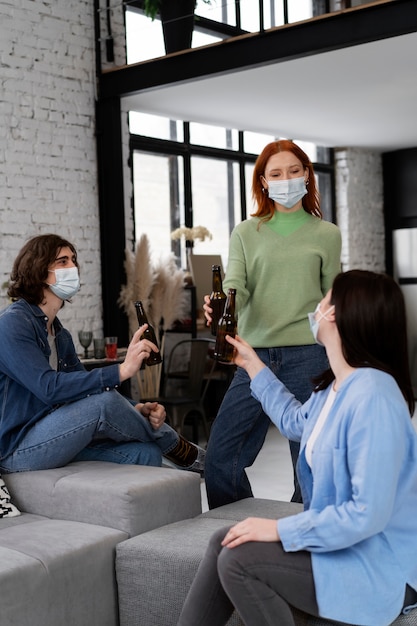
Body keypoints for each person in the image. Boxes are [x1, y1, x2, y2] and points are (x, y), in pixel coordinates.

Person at [178, 270, 417, 626]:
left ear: (337, 313)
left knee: (238, 560)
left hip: (376, 565)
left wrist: (278, 529)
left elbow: (367, 514)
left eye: (324, 298)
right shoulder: (334, 388)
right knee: (222, 541)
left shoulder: (375, 396)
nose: (316, 307)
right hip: (342, 548)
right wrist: (251, 363)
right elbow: (293, 420)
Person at [204, 140, 342, 508]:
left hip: (310, 356)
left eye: (294, 171)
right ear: (263, 182)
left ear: (307, 175)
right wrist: (221, 304)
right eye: (276, 174)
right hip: (253, 357)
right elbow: (236, 285)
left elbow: (332, 300)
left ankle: (302, 540)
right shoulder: (247, 233)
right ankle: (236, 535)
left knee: (308, 462)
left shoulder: (326, 234)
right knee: (220, 457)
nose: (286, 180)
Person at [0, 234, 204, 475]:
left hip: (56, 433)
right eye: (63, 261)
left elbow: (83, 390)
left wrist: (135, 407)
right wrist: (121, 371)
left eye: (73, 260)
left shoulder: (59, 333)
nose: (73, 267)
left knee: (146, 453)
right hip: (18, 448)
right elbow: (48, 388)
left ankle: (178, 470)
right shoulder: (13, 324)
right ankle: (187, 453)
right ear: (38, 269)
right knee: (103, 404)